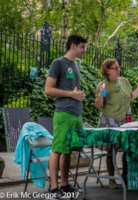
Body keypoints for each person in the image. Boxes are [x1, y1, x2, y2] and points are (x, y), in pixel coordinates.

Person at [44, 35, 87, 197]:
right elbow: (48, 89)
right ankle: (54, 187)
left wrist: (79, 96)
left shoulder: (75, 65)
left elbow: (73, 92)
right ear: (73, 46)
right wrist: (72, 94)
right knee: (57, 149)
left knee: (68, 150)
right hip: (63, 114)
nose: (84, 50)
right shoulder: (58, 63)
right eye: (82, 47)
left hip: (76, 114)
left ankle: (65, 184)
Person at [95, 58, 138, 189]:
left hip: (125, 121)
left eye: (118, 67)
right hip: (110, 120)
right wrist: (101, 95)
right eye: (115, 68)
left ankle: (125, 176)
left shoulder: (124, 81)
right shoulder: (104, 85)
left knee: (127, 147)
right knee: (111, 151)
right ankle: (112, 179)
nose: (119, 69)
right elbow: (99, 105)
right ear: (107, 70)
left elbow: (131, 96)